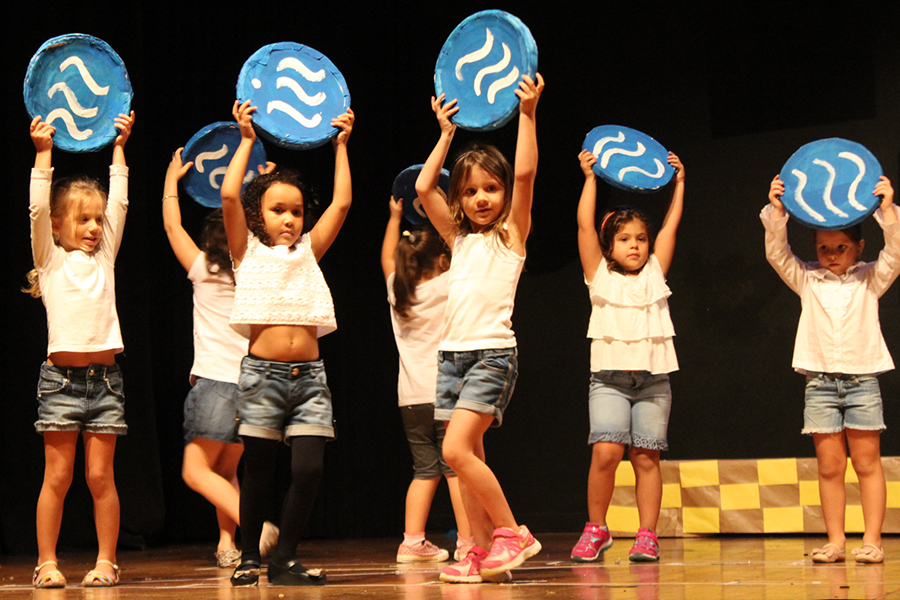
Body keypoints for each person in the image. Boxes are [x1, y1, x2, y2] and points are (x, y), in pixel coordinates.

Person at [414, 72, 544, 583]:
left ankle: (513, 533)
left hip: (492, 354)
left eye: (491, 188)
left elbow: (527, 176)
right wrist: (445, 134)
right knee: (464, 459)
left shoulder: (511, 234)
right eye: (471, 191)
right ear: (460, 199)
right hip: (452, 358)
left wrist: (528, 115)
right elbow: (425, 186)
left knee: (453, 451)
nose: (483, 197)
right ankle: (479, 548)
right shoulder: (458, 238)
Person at [222, 100, 354, 586]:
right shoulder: (246, 251)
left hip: (310, 381)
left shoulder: (310, 253)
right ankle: (249, 557)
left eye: (296, 211)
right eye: (278, 209)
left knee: (308, 468)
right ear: (261, 214)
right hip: (262, 376)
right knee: (257, 471)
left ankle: (284, 558)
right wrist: (247, 142)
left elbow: (341, 203)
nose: (289, 219)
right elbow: (230, 198)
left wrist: (341, 147)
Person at [763, 174, 898, 564]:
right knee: (829, 466)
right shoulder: (808, 279)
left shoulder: (870, 279)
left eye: (842, 247)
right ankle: (835, 541)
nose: (833, 254)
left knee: (868, 463)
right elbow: (777, 254)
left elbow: (896, 253)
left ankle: (872, 540)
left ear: (859, 246)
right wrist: (778, 211)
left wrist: (886, 209)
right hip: (819, 384)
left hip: (862, 381)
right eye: (824, 248)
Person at [26, 110, 135, 588]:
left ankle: (106, 560)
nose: (93, 227)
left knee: (99, 478)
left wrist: (119, 149)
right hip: (61, 383)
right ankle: (46, 562)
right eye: (82, 219)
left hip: (105, 382)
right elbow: (35, 210)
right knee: (58, 477)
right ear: (58, 224)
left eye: (96, 220)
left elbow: (120, 207)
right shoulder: (50, 261)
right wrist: (43, 156)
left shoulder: (105, 257)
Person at [571, 148, 684, 563]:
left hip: (653, 382)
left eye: (640, 238)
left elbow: (672, 225)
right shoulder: (598, 276)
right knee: (605, 452)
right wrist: (590, 179)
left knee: (646, 456)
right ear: (609, 245)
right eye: (624, 239)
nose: (634, 246)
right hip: (609, 381)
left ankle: (646, 535)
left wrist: (680, 185)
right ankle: (596, 529)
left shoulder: (655, 273)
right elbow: (585, 225)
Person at [162, 150, 274, 568]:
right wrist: (266, 183)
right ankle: (228, 543)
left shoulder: (202, 270)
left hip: (216, 382)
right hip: (255, 383)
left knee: (195, 471)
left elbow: (172, 225)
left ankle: (256, 526)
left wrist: (171, 183)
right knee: (225, 470)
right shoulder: (256, 268)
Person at [381, 197, 473, 563]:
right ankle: (467, 542)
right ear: (441, 261)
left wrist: (393, 218)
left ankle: (412, 541)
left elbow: (389, 258)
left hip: (411, 398)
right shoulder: (447, 286)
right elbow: (464, 250)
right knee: (456, 472)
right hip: (446, 392)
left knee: (424, 471)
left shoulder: (397, 292)